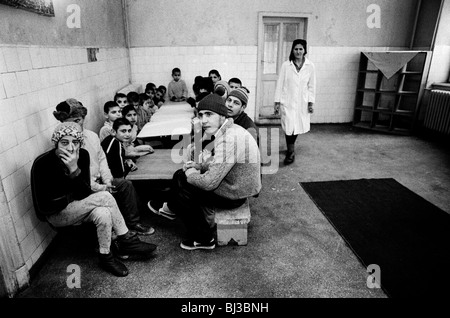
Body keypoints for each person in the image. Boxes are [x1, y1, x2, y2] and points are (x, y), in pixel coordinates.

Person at [30, 122, 157, 277]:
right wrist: (70, 192)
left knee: (103, 212)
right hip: (57, 214)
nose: (70, 148)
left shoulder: (82, 155)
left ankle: (106, 256)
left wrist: (74, 170)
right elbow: (44, 207)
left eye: (75, 142)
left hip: (81, 205)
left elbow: (84, 193)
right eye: (64, 143)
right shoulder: (43, 163)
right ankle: (127, 240)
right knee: (104, 196)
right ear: (56, 143)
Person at [148, 94, 261, 250]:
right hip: (236, 184)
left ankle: (203, 238)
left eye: (209, 114)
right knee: (180, 176)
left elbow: (209, 184)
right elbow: (220, 164)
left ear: (223, 115)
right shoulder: (230, 129)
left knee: (185, 186)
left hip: (235, 194)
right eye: (200, 115)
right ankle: (172, 208)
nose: (203, 120)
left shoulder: (230, 138)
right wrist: (198, 165)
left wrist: (191, 173)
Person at [53, 98, 155, 236]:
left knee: (125, 185)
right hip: (84, 189)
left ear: (83, 118)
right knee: (105, 196)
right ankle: (116, 234)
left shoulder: (92, 137)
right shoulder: (65, 145)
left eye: (78, 120)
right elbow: (78, 180)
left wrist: (107, 180)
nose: (75, 126)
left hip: (101, 180)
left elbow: (102, 160)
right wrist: (101, 187)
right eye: (69, 123)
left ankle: (133, 223)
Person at [274, 39, 316, 165]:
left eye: (301, 49)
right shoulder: (286, 65)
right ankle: (291, 151)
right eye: (296, 49)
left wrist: (310, 103)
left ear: (305, 51)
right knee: (288, 127)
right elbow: (280, 84)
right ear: (292, 50)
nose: (298, 51)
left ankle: (290, 149)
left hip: (302, 103)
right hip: (287, 101)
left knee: (296, 127)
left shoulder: (310, 66)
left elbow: (312, 86)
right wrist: (276, 102)